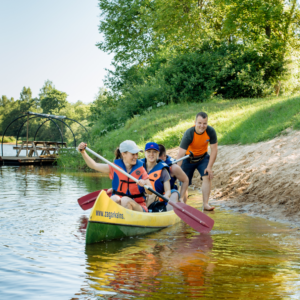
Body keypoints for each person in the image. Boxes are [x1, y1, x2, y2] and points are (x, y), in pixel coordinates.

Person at [78, 140, 152, 212]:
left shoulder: (141, 169)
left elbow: (150, 191)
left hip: (138, 207)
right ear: (123, 154)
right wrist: (83, 152)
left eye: (136, 154)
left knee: (125, 200)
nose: (136, 156)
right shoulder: (115, 167)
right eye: (133, 154)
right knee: (114, 198)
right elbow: (94, 165)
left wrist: (145, 184)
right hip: (122, 206)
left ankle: (126, 222)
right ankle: (108, 219)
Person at [176, 112, 218, 211]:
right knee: (184, 182)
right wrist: (177, 171)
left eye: (204, 123)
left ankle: (206, 204)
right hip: (187, 159)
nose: (202, 126)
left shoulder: (210, 131)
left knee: (207, 176)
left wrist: (209, 167)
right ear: (195, 122)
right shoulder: (189, 134)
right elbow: (180, 154)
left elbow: (214, 150)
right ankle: (183, 206)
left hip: (202, 158)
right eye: (199, 123)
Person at [140, 142, 180, 212]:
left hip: (157, 198)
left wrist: (167, 195)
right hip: (142, 197)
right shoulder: (139, 167)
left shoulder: (163, 170)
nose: (151, 154)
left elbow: (167, 191)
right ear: (145, 153)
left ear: (158, 153)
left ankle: (168, 217)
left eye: (154, 152)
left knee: (175, 193)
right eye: (149, 151)